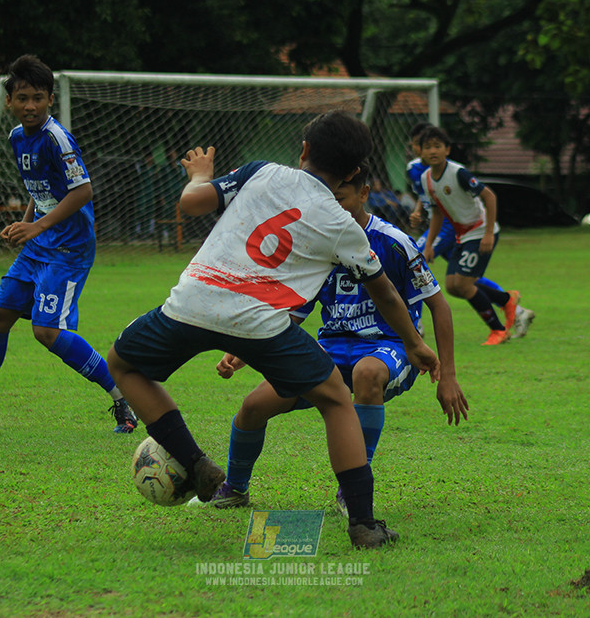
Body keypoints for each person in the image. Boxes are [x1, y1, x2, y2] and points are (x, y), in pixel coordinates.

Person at [106, 111, 440, 549]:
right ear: (355, 172)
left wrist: (201, 175)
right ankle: (362, 523)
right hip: (260, 324)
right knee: (337, 400)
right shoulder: (343, 224)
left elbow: (191, 203)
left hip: (195, 300)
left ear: (303, 151)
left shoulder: (262, 171)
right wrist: (415, 345)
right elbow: (388, 296)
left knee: (122, 364)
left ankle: (195, 462)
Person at [207, 172, 468, 516]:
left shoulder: (393, 242)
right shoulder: (318, 245)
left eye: (340, 198)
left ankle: (353, 490)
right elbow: (294, 313)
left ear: (363, 193)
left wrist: (447, 375)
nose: (331, 207)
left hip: (389, 347)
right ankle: (235, 489)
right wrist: (243, 351)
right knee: (254, 406)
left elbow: (439, 304)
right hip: (329, 350)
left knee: (366, 373)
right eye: (325, 199)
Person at [0, 54, 137, 433]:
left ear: (49, 100)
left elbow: (83, 191)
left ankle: (124, 397)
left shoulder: (57, 138)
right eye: (23, 97)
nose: (30, 106)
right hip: (40, 243)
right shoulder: (16, 137)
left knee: (47, 332)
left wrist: (37, 227)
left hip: (69, 247)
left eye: (38, 98)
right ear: (9, 100)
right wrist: (25, 226)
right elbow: (39, 188)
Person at [405, 125, 535, 340]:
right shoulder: (424, 176)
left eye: (437, 146)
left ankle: (497, 330)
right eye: (427, 146)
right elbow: (435, 210)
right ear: (418, 149)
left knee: (418, 265)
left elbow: (490, 196)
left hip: (477, 230)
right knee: (454, 285)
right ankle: (507, 301)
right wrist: (428, 242)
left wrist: (489, 233)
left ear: (447, 149)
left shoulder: (458, 172)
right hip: (459, 233)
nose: (432, 151)